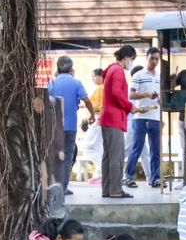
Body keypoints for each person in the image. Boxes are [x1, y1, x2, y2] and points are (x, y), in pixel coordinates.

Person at [48, 56, 97, 194]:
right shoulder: (76, 83)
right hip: (70, 127)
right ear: (71, 68)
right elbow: (86, 100)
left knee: (55, 156)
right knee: (68, 157)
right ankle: (63, 187)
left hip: (54, 127)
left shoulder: (51, 83)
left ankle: (54, 186)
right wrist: (92, 115)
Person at [100, 45, 138, 199]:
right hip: (114, 118)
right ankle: (116, 190)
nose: (132, 62)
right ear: (127, 57)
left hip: (107, 117)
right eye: (132, 59)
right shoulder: (118, 70)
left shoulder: (110, 69)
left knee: (108, 155)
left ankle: (107, 189)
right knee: (117, 155)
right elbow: (117, 92)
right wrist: (130, 106)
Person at [125, 48, 162, 190]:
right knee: (137, 147)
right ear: (147, 58)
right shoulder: (139, 75)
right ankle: (128, 176)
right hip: (140, 116)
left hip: (155, 116)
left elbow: (161, 97)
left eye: (157, 59)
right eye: (152, 58)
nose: (154, 61)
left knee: (156, 150)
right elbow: (131, 95)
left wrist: (160, 100)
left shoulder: (159, 77)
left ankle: (156, 178)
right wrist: (146, 94)